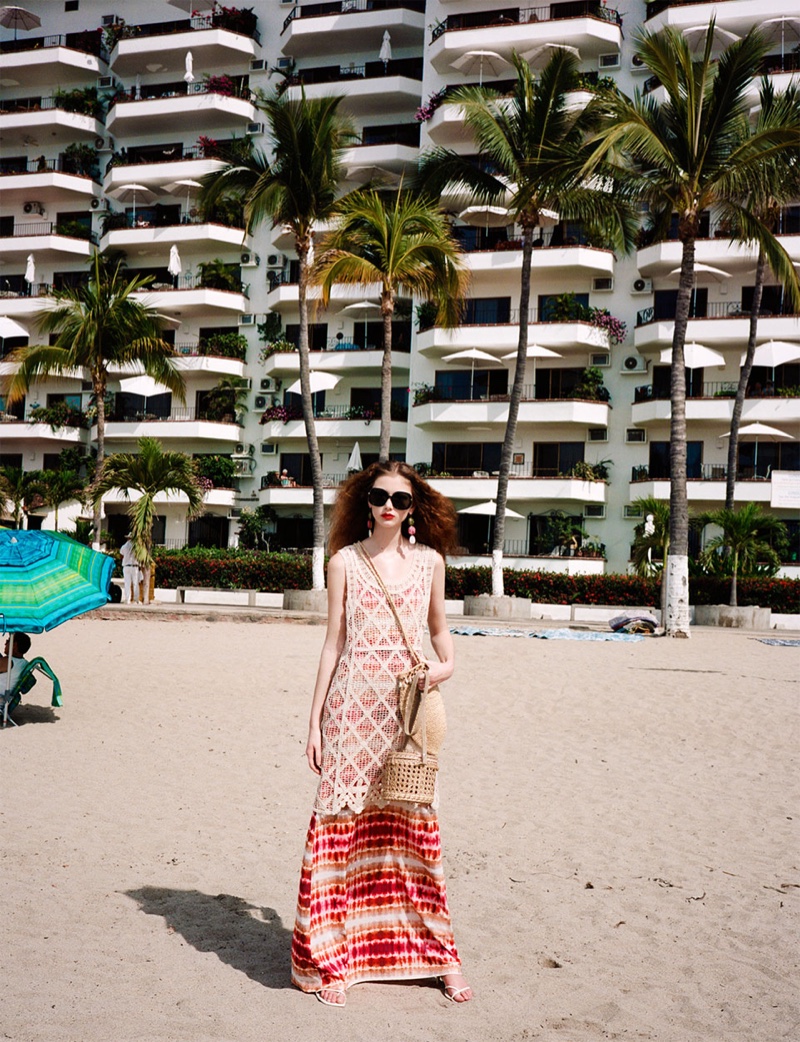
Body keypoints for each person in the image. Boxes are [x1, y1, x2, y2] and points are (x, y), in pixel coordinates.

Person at [291, 461, 472, 1007]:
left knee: (413, 826)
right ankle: (334, 960)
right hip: (350, 710)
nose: (388, 506)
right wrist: (314, 721)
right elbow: (332, 643)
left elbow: (441, 632)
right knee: (342, 831)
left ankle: (439, 957)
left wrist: (447, 666)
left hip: (405, 711)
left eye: (400, 498)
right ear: (363, 502)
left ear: (415, 507)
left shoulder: (430, 564)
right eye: (378, 496)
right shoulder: (343, 562)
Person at [0, 633, 32, 713]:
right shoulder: (24, 664)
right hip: (6, 698)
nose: (5, 643)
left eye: (8, 641)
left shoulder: (7, 662)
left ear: (14, 645)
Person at [119, 534, 141, 604]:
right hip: (135, 566)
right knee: (135, 583)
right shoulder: (137, 547)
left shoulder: (124, 546)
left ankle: (127, 599)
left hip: (126, 566)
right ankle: (136, 599)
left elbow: (121, 556)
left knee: (127, 583)